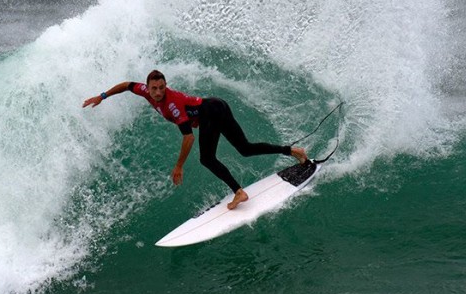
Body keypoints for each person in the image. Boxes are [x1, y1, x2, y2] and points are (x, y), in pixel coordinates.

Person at [82, 70, 308, 209]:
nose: (158, 92)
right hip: (215, 105)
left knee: (208, 158)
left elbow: (188, 138)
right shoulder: (144, 90)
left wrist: (179, 165)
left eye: (162, 87)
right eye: (154, 89)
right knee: (245, 148)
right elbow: (127, 85)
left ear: (165, 85)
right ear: (148, 88)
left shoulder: (172, 103)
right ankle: (293, 151)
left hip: (213, 110)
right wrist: (102, 96)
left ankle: (239, 192)